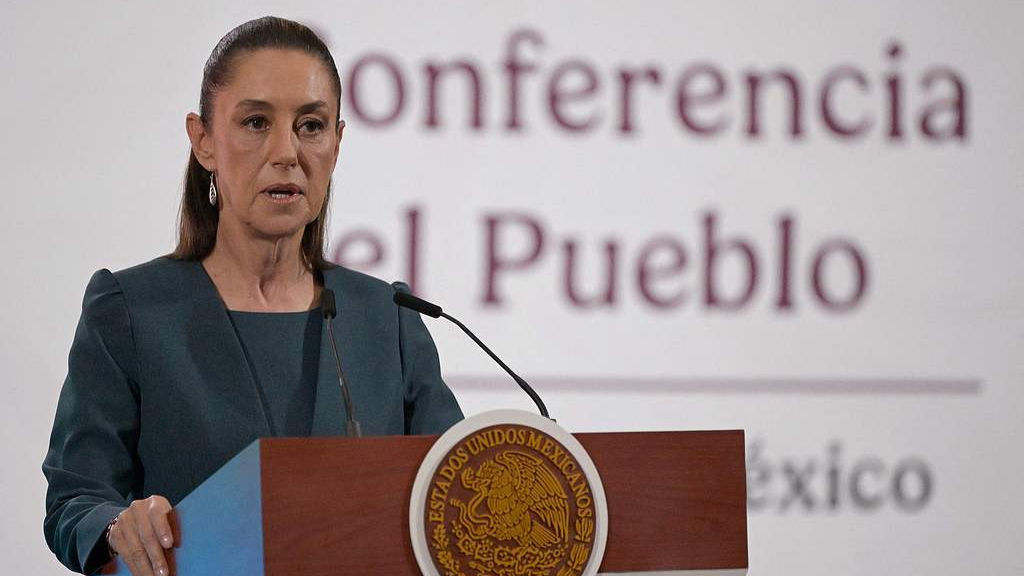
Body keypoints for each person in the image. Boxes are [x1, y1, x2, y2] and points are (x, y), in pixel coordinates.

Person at [41, 16, 463, 576]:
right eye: (256, 122)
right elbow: (75, 501)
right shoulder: (131, 311)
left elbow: (459, 492)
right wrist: (119, 525)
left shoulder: (387, 320)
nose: (286, 151)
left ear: (337, 143)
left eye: (311, 126)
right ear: (204, 141)